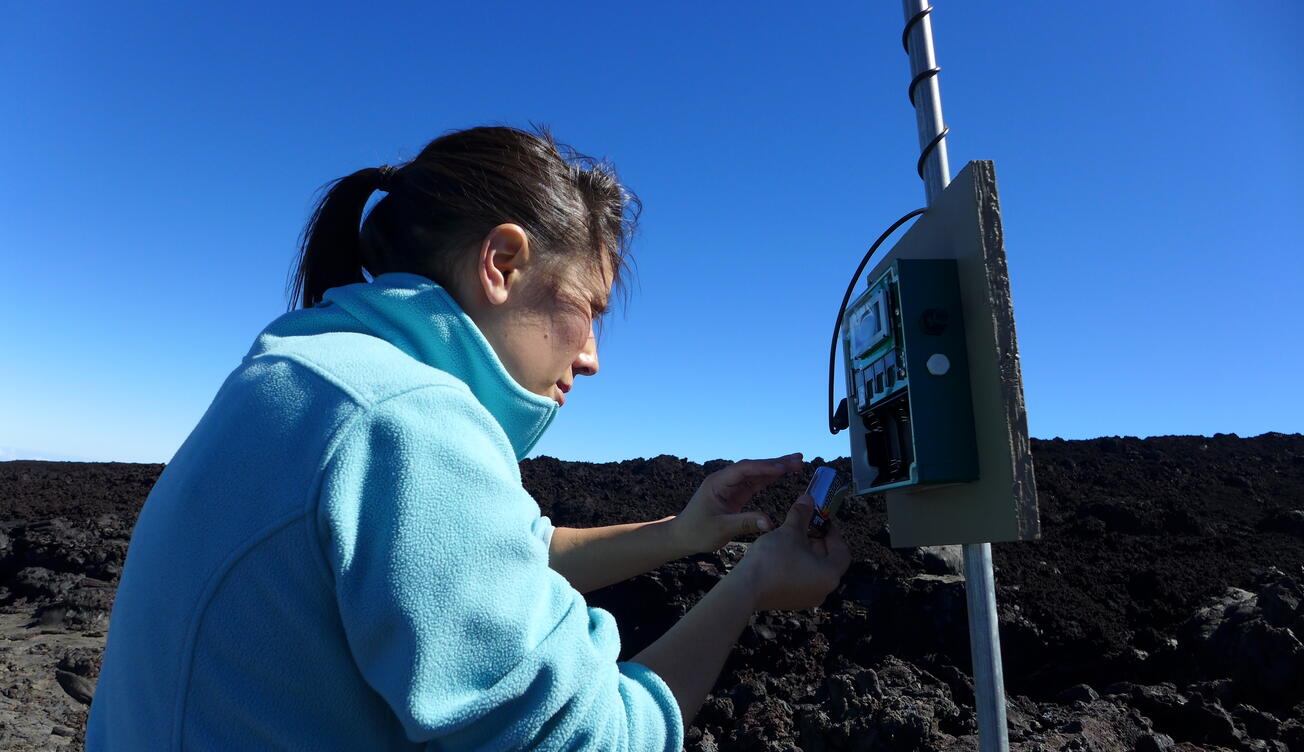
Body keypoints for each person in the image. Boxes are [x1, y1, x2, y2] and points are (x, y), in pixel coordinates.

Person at [85, 125, 851, 751]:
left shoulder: (314, 374)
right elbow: (601, 738)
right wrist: (750, 583)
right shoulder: (403, 419)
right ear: (503, 262)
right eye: (591, 306)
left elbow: (489, 557)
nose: (591, 357)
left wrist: (682, 533)